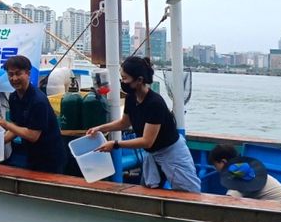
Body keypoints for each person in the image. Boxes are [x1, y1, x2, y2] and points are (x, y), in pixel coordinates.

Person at [86, 56, 201, 193]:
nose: (122, 81)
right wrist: (100, 128)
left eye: (125, 78)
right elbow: (124, 122)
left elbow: (147, 141)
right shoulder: (131, 97)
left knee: (190, 193)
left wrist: (115, 144)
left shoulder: (154, 103)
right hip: (152, 154)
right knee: (147, 191)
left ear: (139, 80)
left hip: (171, 152)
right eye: (122, 77)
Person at [0, 55, 67, 173]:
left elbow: (33, 136)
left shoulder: (38, 100)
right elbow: (16, 124)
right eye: (10, 74)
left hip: (50, 156)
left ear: (28, 73)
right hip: (32, 154)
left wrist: (5, 124)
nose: (14, 78)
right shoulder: (13, 97)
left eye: (18, 73)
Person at [208, 144, 281, 203]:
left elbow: (228, 204)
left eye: (215, 165)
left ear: (223, 162)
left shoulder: (239, 177)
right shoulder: (248, 170)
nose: (216, 170)